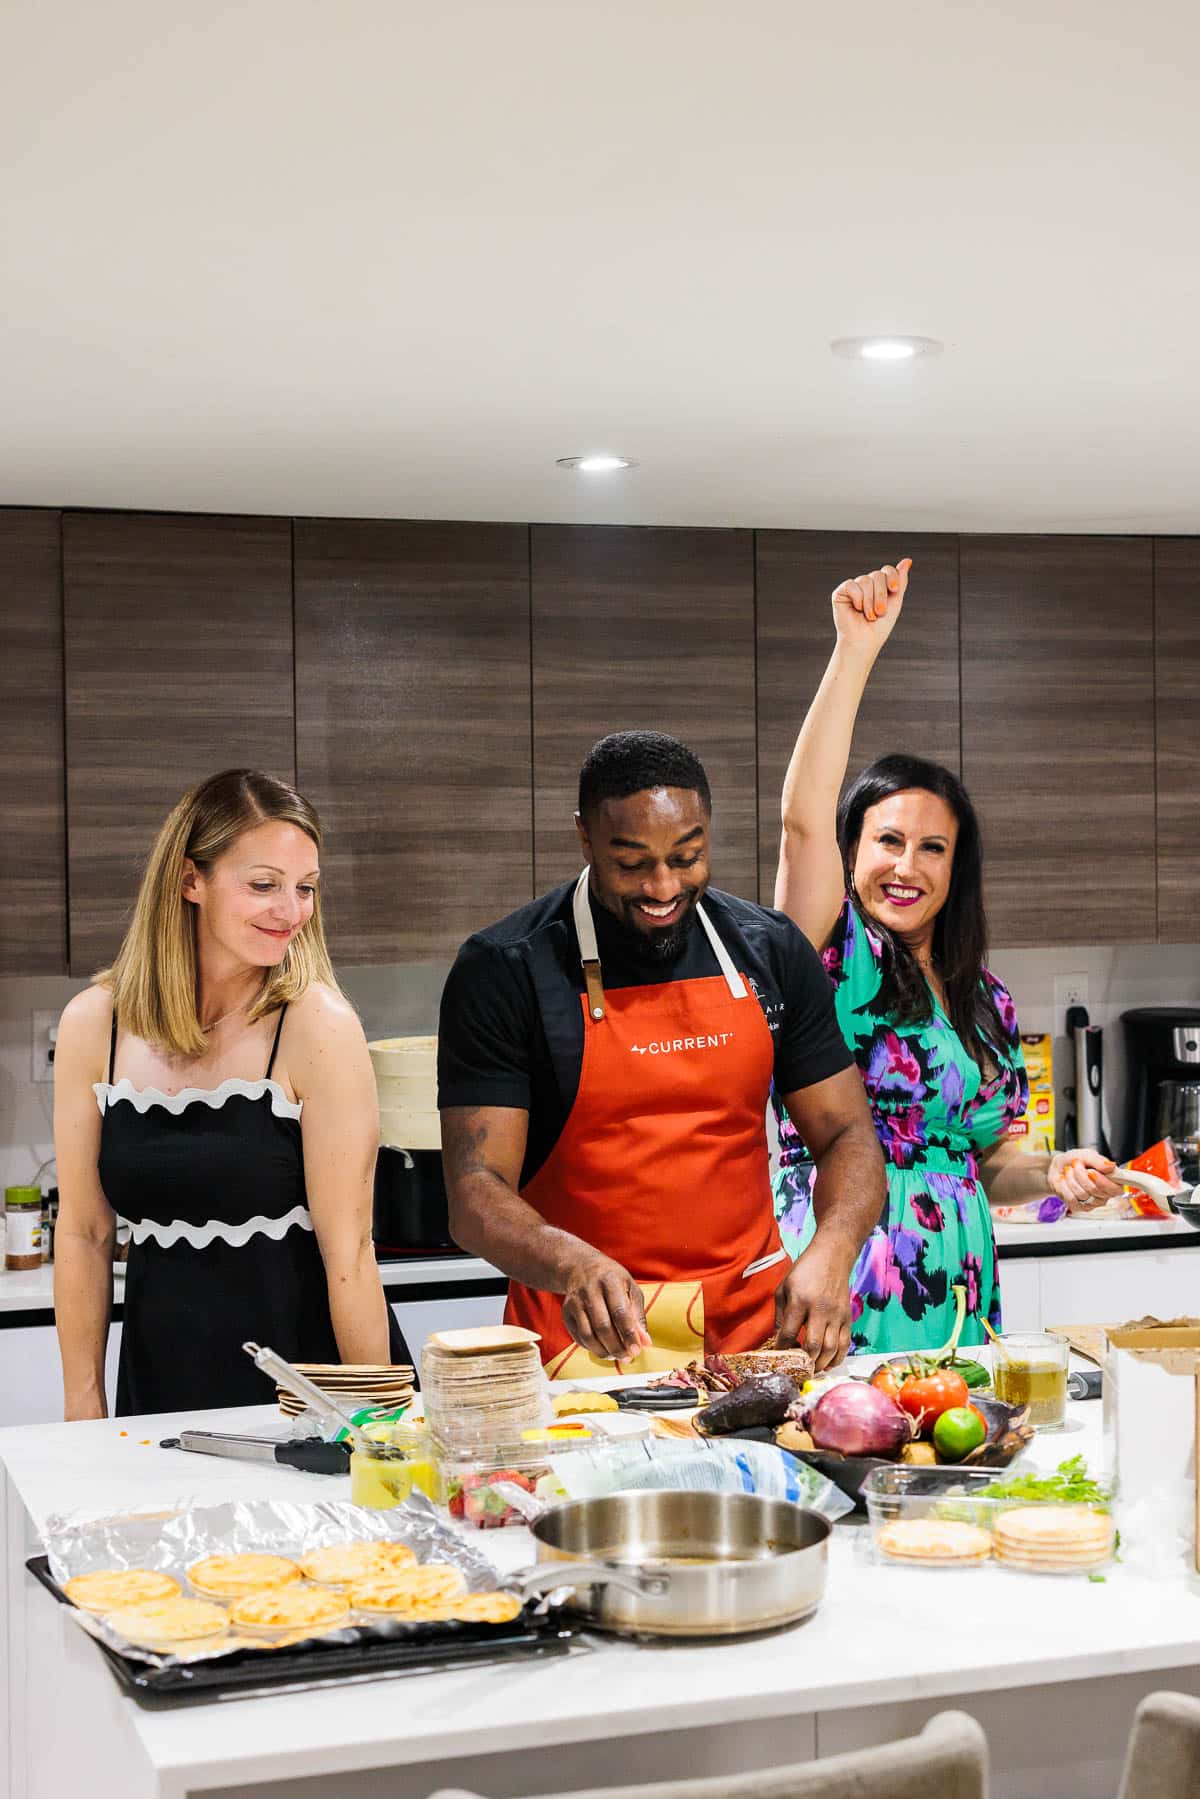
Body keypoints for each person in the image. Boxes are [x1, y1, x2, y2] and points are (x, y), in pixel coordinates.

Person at [438, 730, 885, 1377]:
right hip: (583, 1344)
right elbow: (474, 1190)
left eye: (687, 856)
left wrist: (835, 1246)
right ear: (585, 839)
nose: (663, 884)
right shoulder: (507, 970)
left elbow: (847, 1130)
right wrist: (572, 1261)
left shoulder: (770, 950)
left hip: (754, 1341)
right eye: (633, 861)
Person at [772, 559, 1125, 1353]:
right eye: (887, 841)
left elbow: (994, 1159)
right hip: (839, 1269)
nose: (908, 866)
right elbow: (800, 823)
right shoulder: (833, 956)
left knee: (956, 1462)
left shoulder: (984, 998)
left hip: (960, 1288)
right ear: (851, 850)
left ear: (956, 868)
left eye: (933, 847)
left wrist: (1057, 1170)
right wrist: (853, 654)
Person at [53, 768, 408, 1418]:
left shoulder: (317, 1026)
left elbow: (351, 1254)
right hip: (159, 1384)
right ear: (191, 880)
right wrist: (84, 1406)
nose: (291, 910)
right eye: (263, 885)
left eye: (305, 888)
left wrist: (379, 1425)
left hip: (310, 1393)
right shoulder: (93, 1025)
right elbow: (82, 1234)